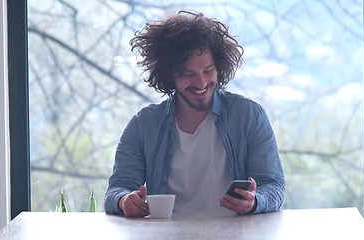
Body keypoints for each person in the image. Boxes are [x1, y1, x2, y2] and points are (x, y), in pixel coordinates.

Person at [104, 10, 285, 217]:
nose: (201, 83)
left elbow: (274, 186)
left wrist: (255, 202)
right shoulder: (143, 124)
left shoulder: (249, 116)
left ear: (219, 67)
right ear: (170, 75)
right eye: (188, 74)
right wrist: (124, 200)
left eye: (208, 71)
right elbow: (116, 190)